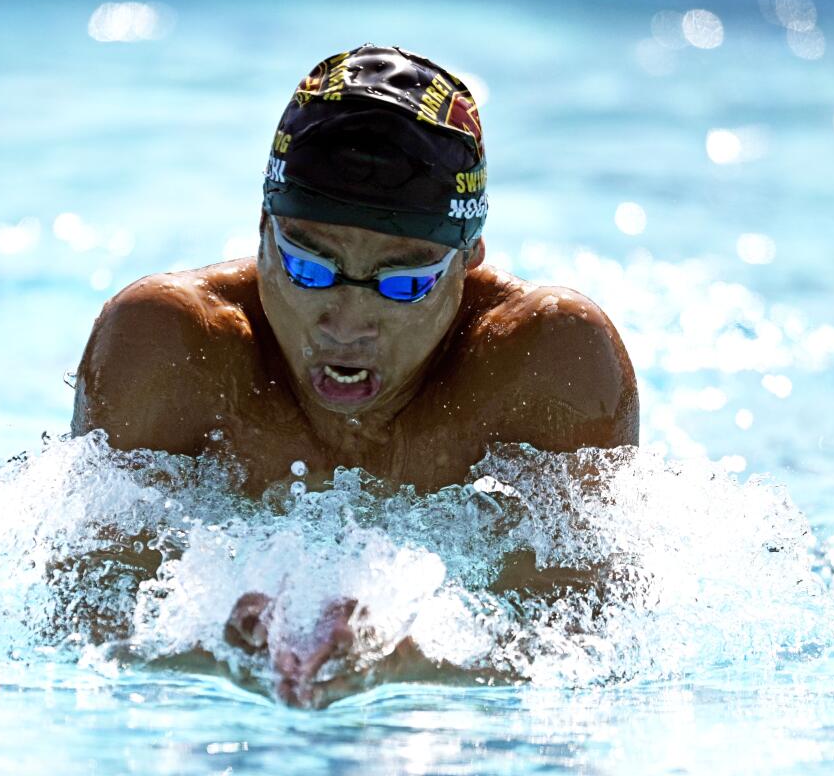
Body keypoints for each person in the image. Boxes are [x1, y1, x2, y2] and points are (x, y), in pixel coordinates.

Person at [70, 45, 638, 705]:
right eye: (310, 268)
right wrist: (202, 657)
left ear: (470, 258)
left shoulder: (546, 360)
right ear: (263, 228)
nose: (347, 322)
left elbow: (597, 634)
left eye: (402, 284)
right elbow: (78, 607)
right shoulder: (171, 346)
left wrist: (419, 665)